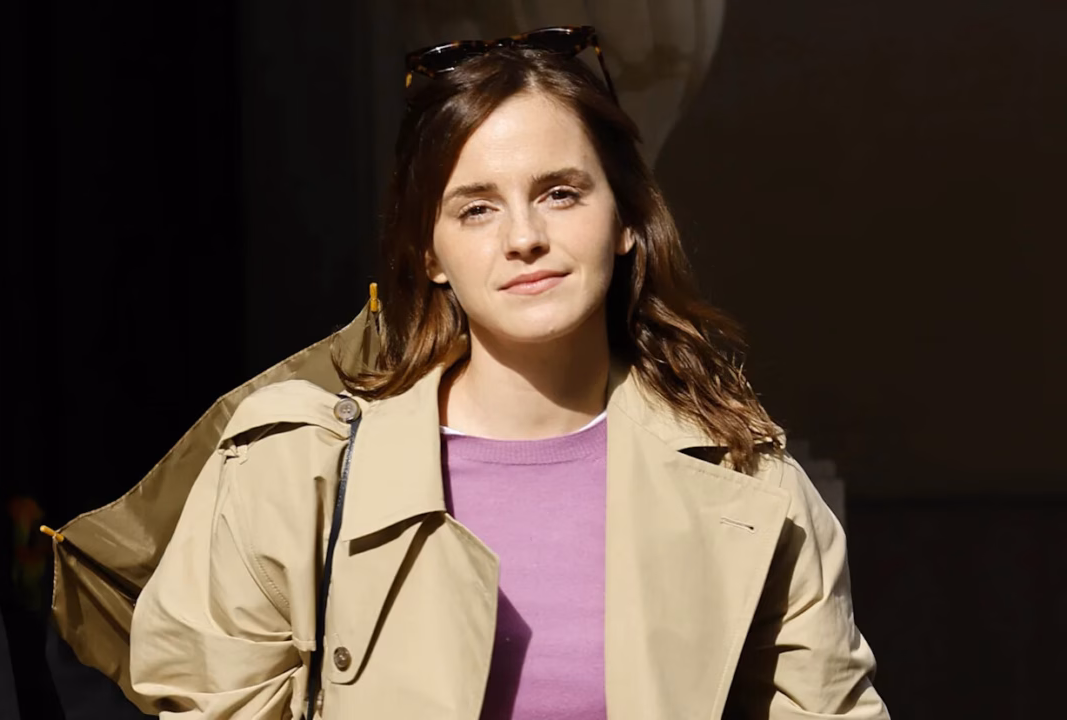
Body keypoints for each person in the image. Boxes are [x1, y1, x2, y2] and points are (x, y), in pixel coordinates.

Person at [130, 26, 889, 719]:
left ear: (626, 221)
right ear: (429, 253)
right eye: (477, 209)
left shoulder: (752, 487)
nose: (525, 237)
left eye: (560, 193)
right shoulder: (294, 473)